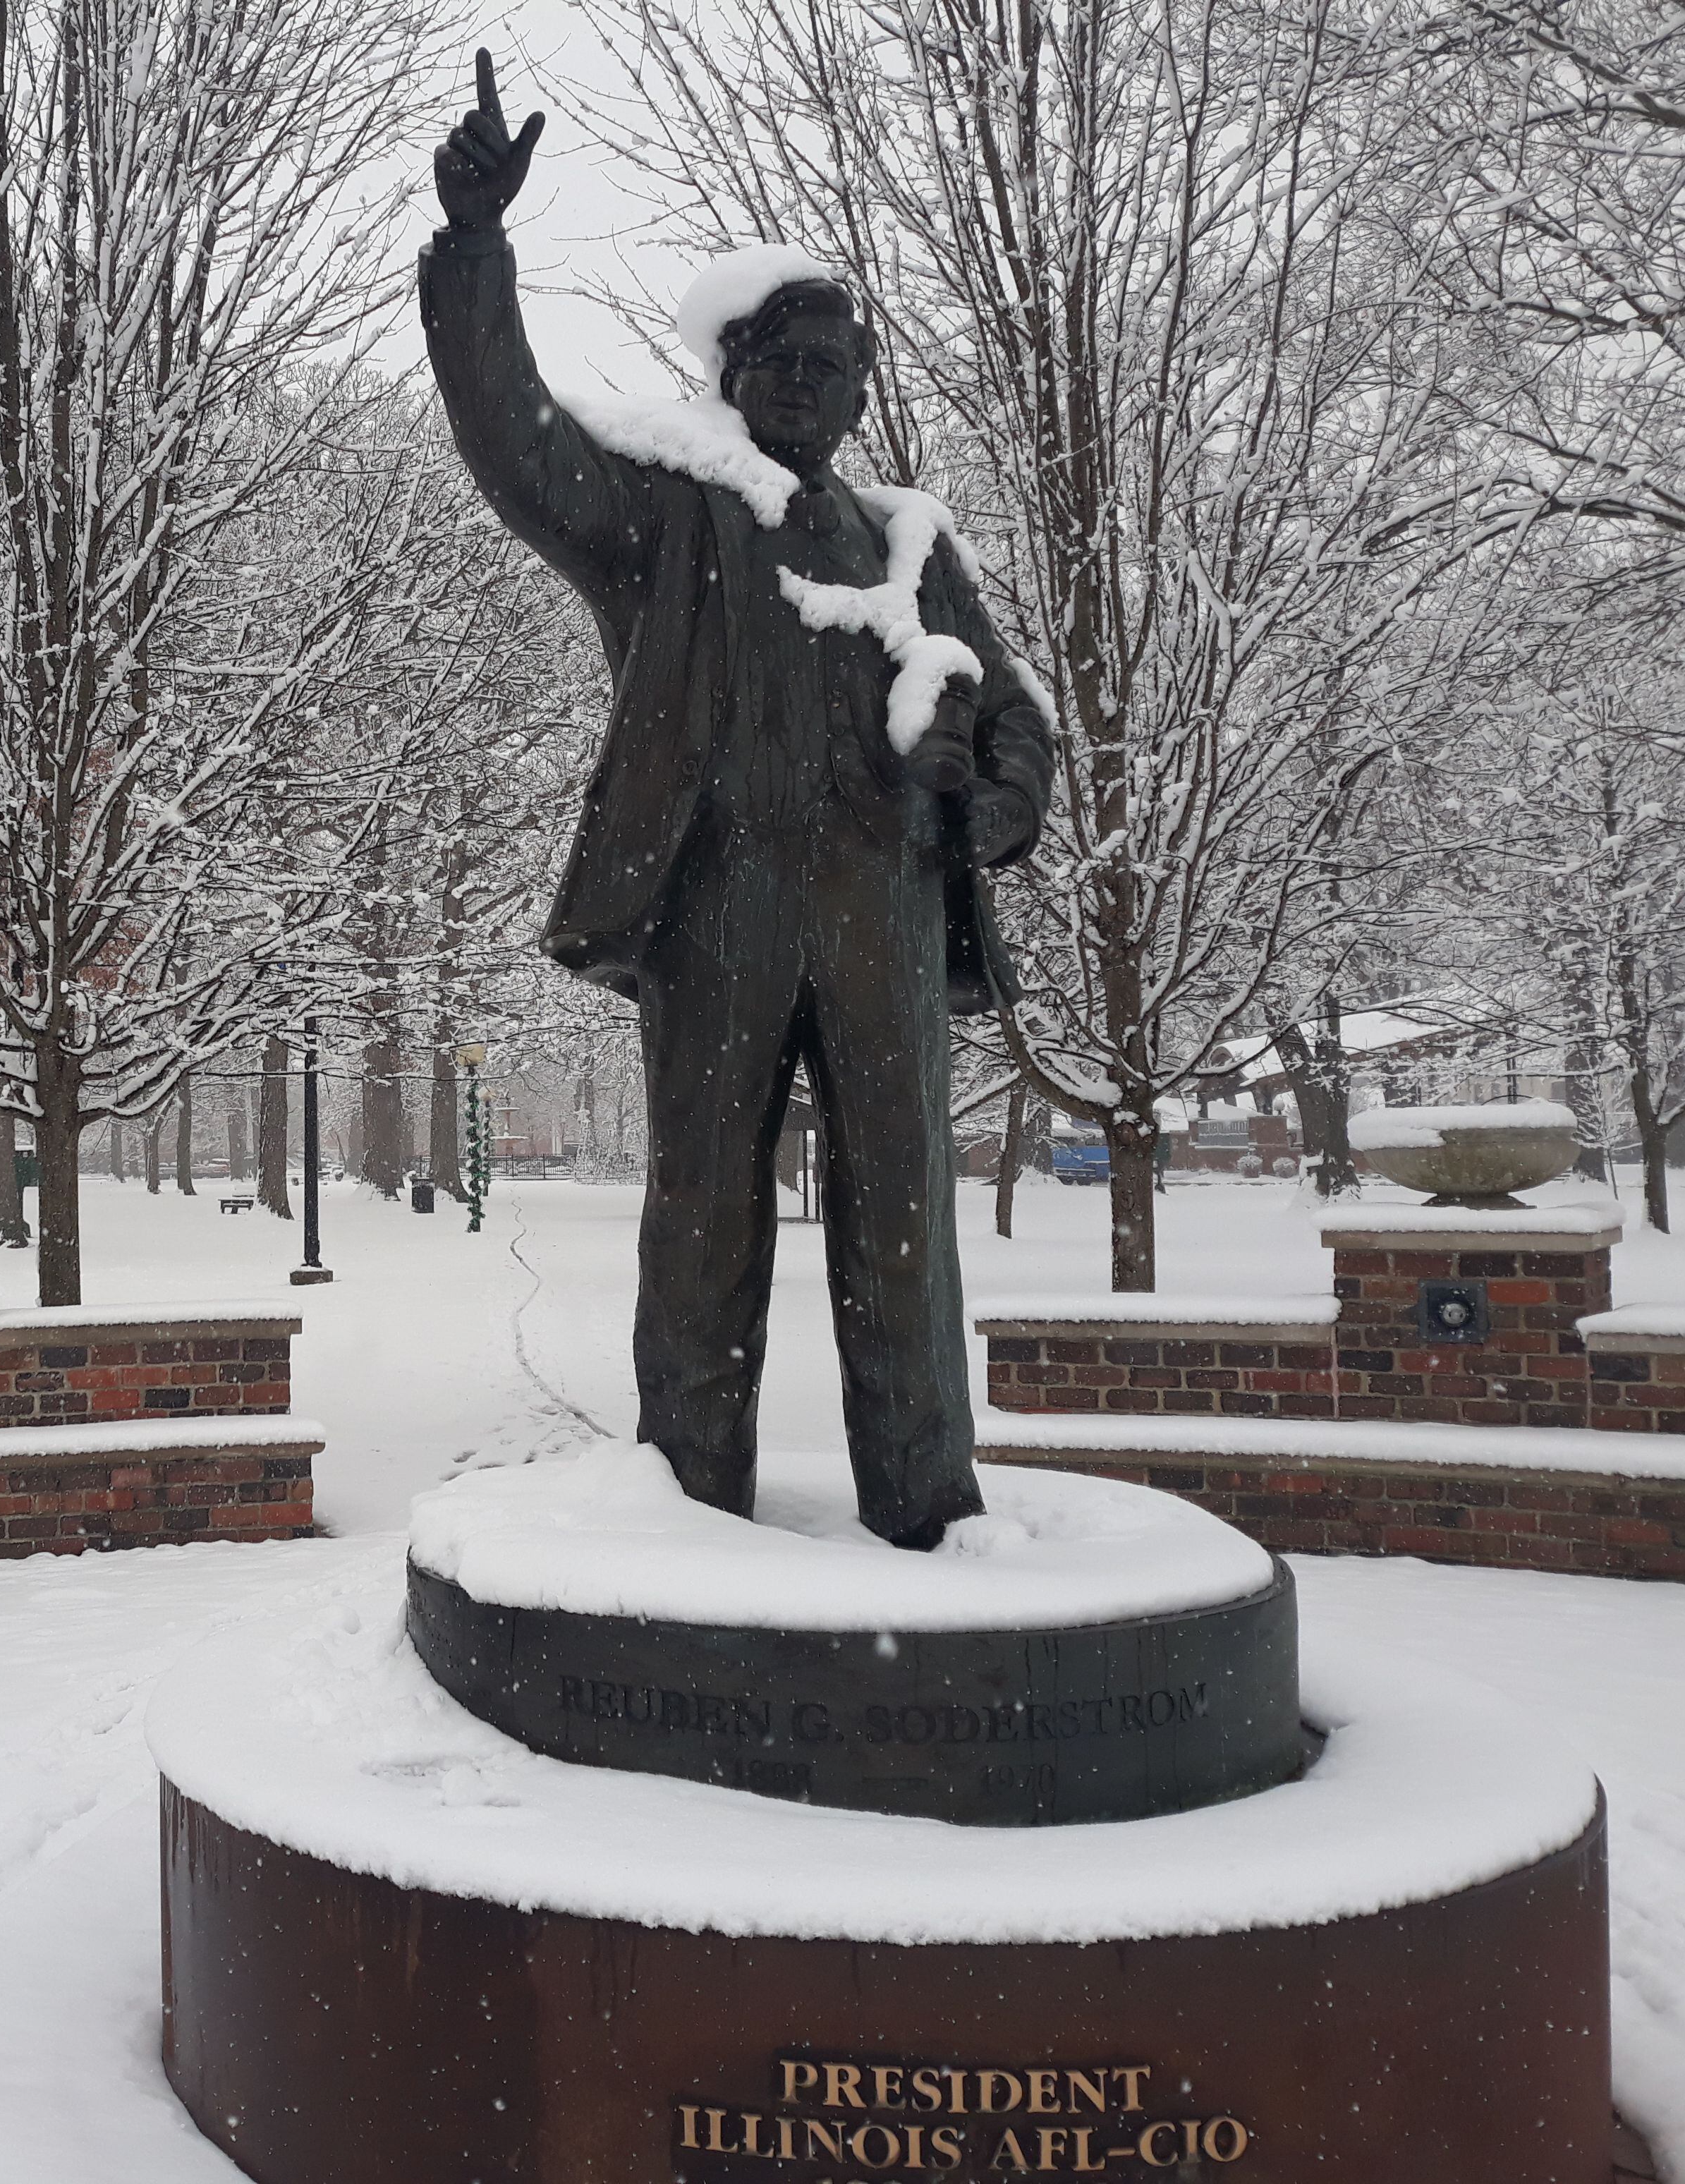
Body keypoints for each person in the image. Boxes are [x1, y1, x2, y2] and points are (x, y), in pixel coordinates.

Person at [424, 53, 1055, 1548]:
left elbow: (1020, 718)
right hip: (723, 909)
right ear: (733, 373)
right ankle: (691, 1513)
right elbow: (515, 439)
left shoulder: (910, 542)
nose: (805, 389)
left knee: (903, 1233)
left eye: (832, 370)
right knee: (704, 1219)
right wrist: (476, 252)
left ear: (859, 393)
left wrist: (990, 801)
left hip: (886, 913)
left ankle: (927, 1506)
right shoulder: (671, 501)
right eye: (779, 363)